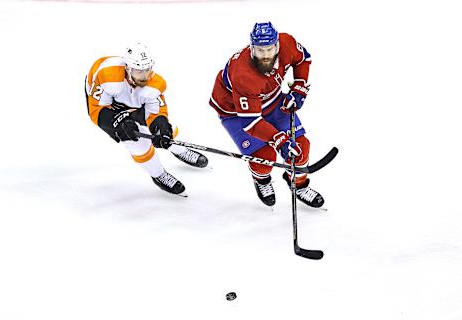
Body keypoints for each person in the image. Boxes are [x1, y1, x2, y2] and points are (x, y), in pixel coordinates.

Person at [209, 22, 324, 207]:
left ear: (277, 45)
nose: (265, 55)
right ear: (251, 47)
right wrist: (279, 140)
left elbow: (303, 59)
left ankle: (298, 184)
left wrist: (299, 87)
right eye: (260, 50)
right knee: (264, 158)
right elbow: (252, 123)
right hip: (236, 113)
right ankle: (261, 180)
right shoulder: (243, 74)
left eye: (269, 49)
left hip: (272, 100)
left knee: (301, 148)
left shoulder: (287, 43)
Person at [85, 42, 208, 195]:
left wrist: (160, 126)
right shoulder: (107, 77)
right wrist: (117, 122)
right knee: (136, 142)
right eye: (139, 71)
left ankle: (179, 149)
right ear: (128, 69)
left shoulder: (155, 84)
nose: (144, 76)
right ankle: (159, 174)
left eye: (147, 70)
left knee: (168, 129)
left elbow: (156, 113)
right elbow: (96, 110)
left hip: (132, 95)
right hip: (110, 103)